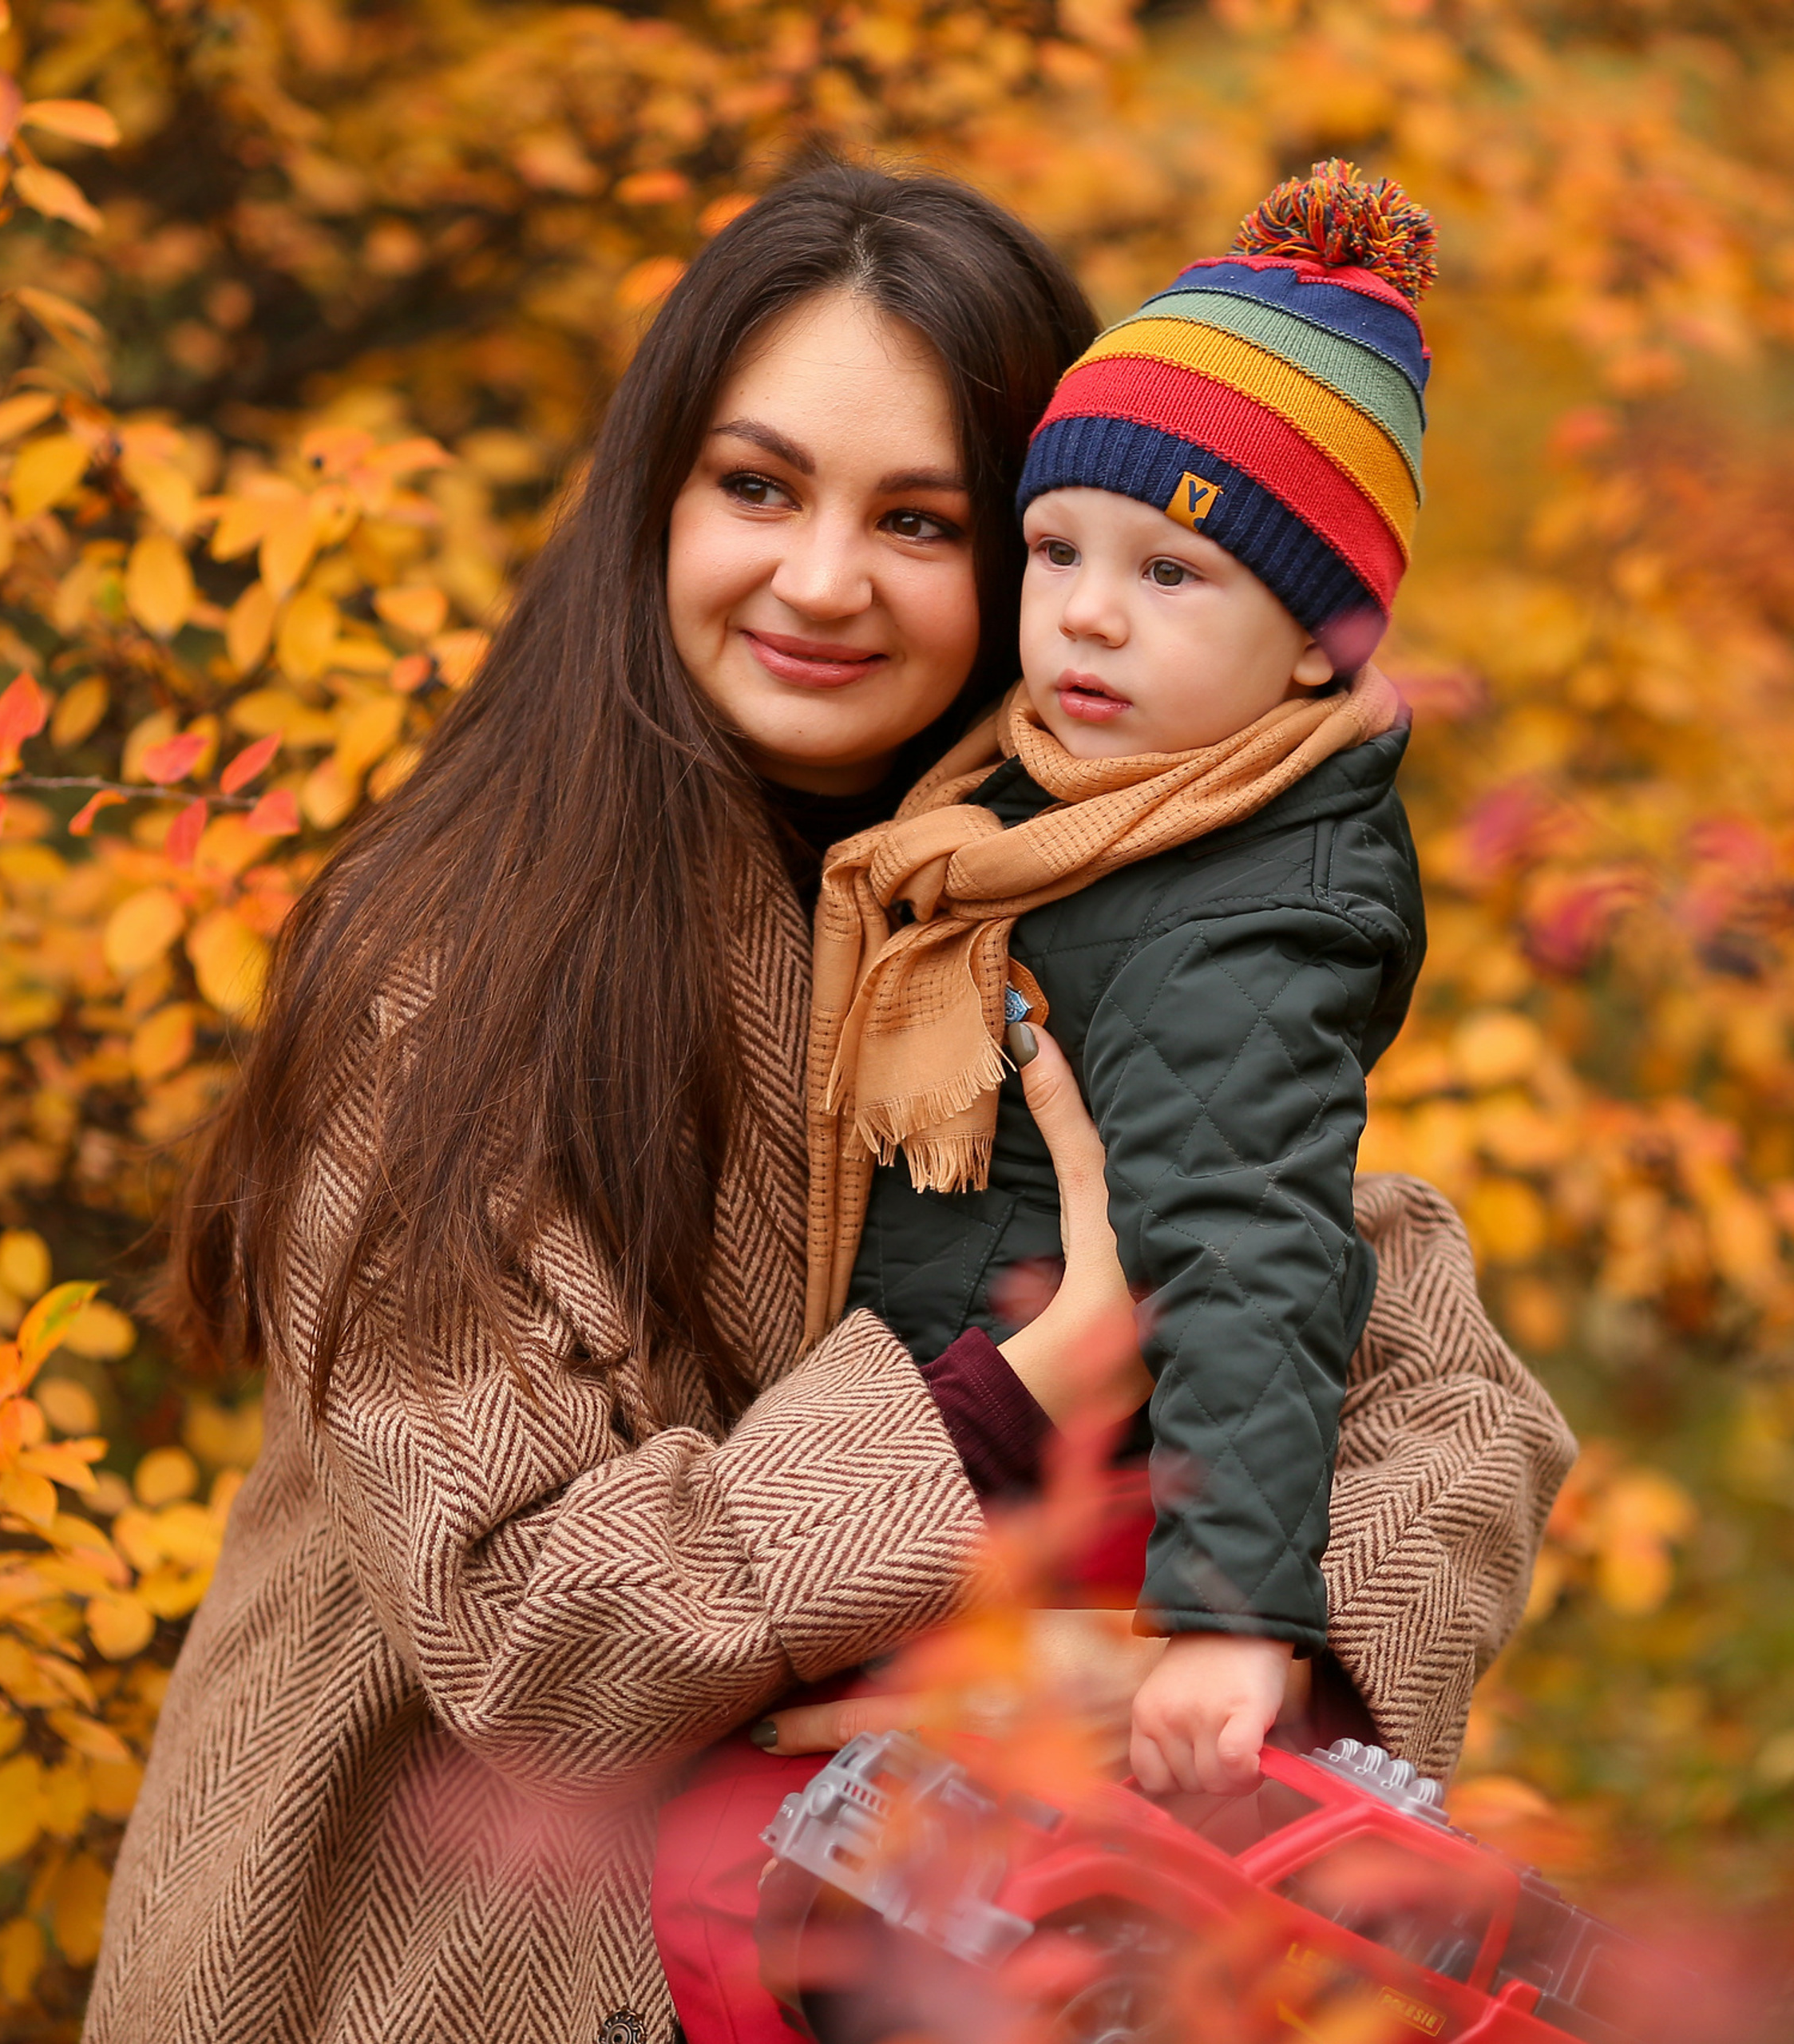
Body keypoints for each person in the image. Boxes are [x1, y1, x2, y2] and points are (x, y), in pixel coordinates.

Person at [85, 158, 1574, 2044]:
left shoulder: (1073, 882)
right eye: (757, 485)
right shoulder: (450, 953)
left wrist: (1227, 1653)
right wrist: (1031, 1383)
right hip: (453, 1953)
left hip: (890, 1942)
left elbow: (1442, 1395)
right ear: (657, 498)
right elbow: (536, 1627)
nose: (816, 579)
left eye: (922, 517)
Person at [649, 162, 1570, 2044]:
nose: (1082, 615)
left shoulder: (1226, 892)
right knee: (808, 1871)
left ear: (1320, 642)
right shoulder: (1018, 809)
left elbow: (1261, 1253)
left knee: (784, 1888)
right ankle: (1177, 1917)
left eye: (1169, 575)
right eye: (1053, 549)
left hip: (1069, 1512)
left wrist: (1238, 1621)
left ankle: (1246, 1909)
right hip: (974, 1463)